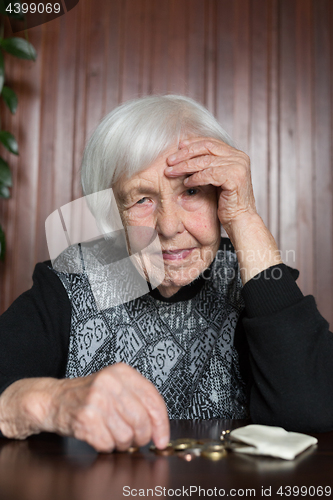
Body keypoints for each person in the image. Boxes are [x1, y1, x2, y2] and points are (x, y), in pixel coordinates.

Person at [0, 95, 332, 453]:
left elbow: (314, 412)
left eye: (191, 191)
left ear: (220, 197)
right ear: (113, 216)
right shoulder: (71, 280)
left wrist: (245, 219)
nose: (170, 226)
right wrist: (50, 402)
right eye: (142, 199)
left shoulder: (251, 277)